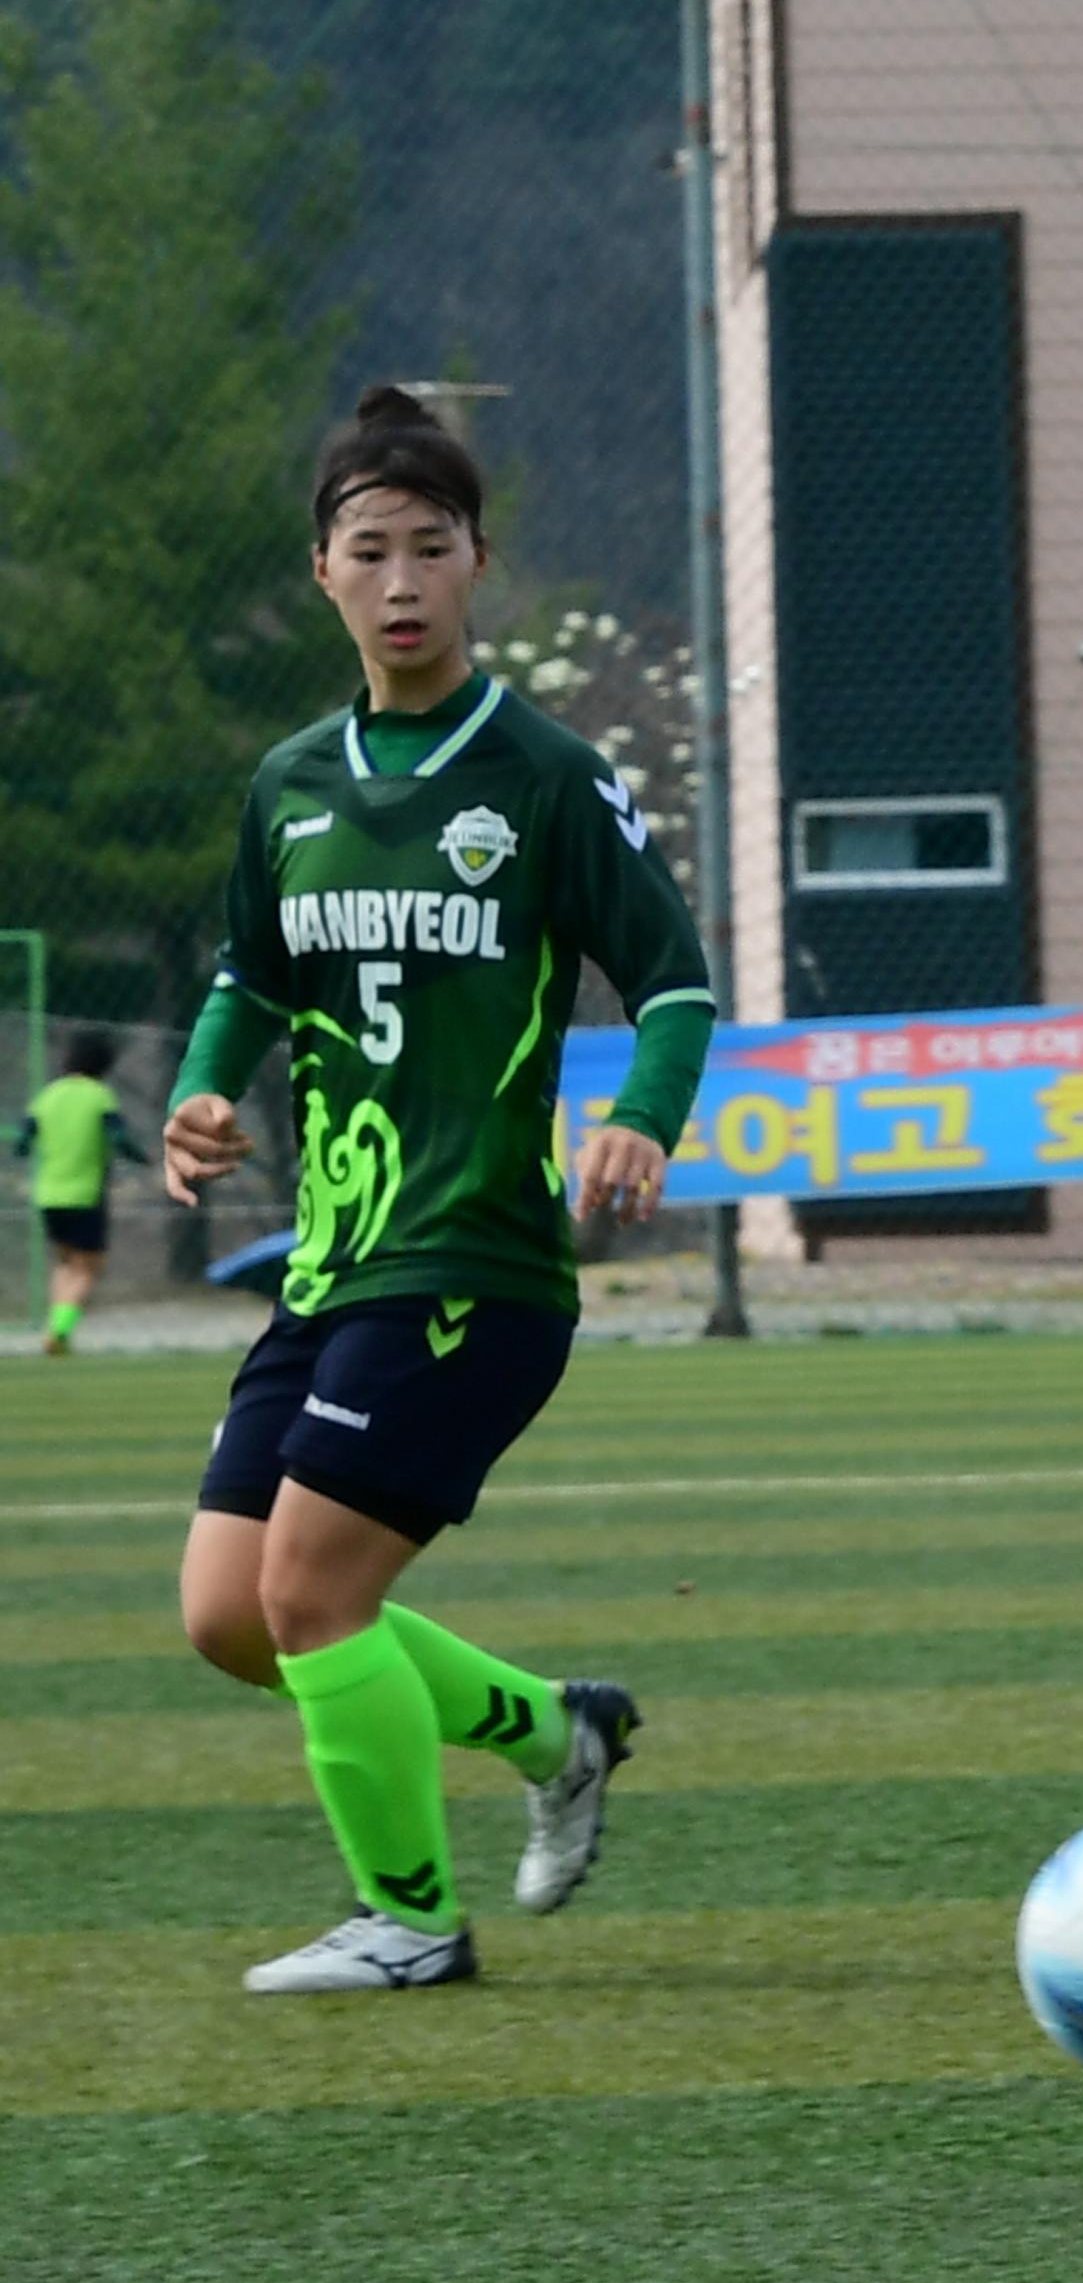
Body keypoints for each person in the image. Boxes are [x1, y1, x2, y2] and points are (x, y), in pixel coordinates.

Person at [157, 386, 717, 1993]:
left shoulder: (543, 773)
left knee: (311, 1592)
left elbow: (672, 980)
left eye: (432, 547)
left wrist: (644, 1117)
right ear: (323, 575)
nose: (401, 579)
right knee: (230, 1617)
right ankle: (559, 1734)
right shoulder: (289, 785)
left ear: (479, 566)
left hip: (475, 1264)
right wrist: (203, 1086)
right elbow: (248, 977)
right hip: (331, 1263)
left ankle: (409, 1923)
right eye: (368, 550)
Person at [19, 1027, 138, 1355]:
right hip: (85, 1193)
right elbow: (118, 1137)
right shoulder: (99, 1095)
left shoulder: (48, 1095)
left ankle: (56, 1330)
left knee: (65, 1262)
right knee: (89, 1266)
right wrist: (140, 1157)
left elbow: (22, 1140)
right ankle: (59, 1329)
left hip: (47, 1195)